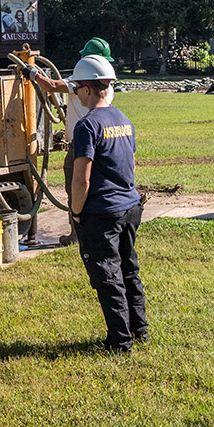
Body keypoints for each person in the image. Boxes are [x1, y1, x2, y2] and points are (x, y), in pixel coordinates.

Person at [68, 53, 148, 353]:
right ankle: (139, 330)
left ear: (88, 89)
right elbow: (132, 164)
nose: (75, 93)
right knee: (129, 271)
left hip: (102, 213)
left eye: (77, 88)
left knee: (108, 276)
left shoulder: (87, 126)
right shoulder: (123, 120)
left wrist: (76, 212)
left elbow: (81, 180)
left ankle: (120, 341)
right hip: (129, 207)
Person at [25, 37, 115, 245]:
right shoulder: (106, 86)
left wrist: (32, 73)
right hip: (103, 142)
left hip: (80, 144)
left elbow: (51, 85)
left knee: (75, 187)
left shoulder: (81, 84)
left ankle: (76, 234)